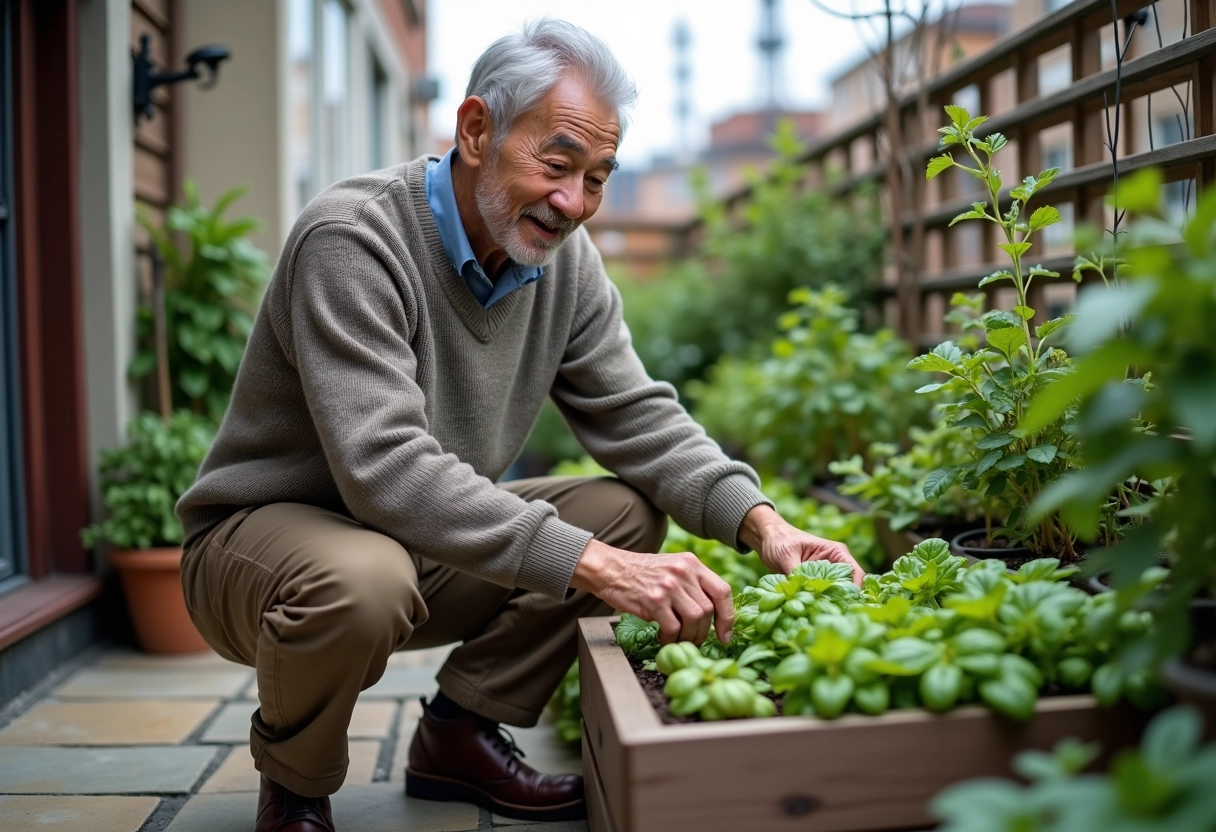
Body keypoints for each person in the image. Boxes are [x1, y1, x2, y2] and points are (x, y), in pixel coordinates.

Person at [176, 18, 863, 832]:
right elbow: (386, 468)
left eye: (599, 177)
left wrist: (763, 524)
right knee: (365, 579)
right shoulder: (354, 240)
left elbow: (638, 415)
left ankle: (459, 734)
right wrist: (596, 568)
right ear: (475, 131)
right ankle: (294, 788)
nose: (575, 203)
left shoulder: (561, 267)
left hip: (406, 544)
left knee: (628, 514)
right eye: (558, 163)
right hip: (260, 554)